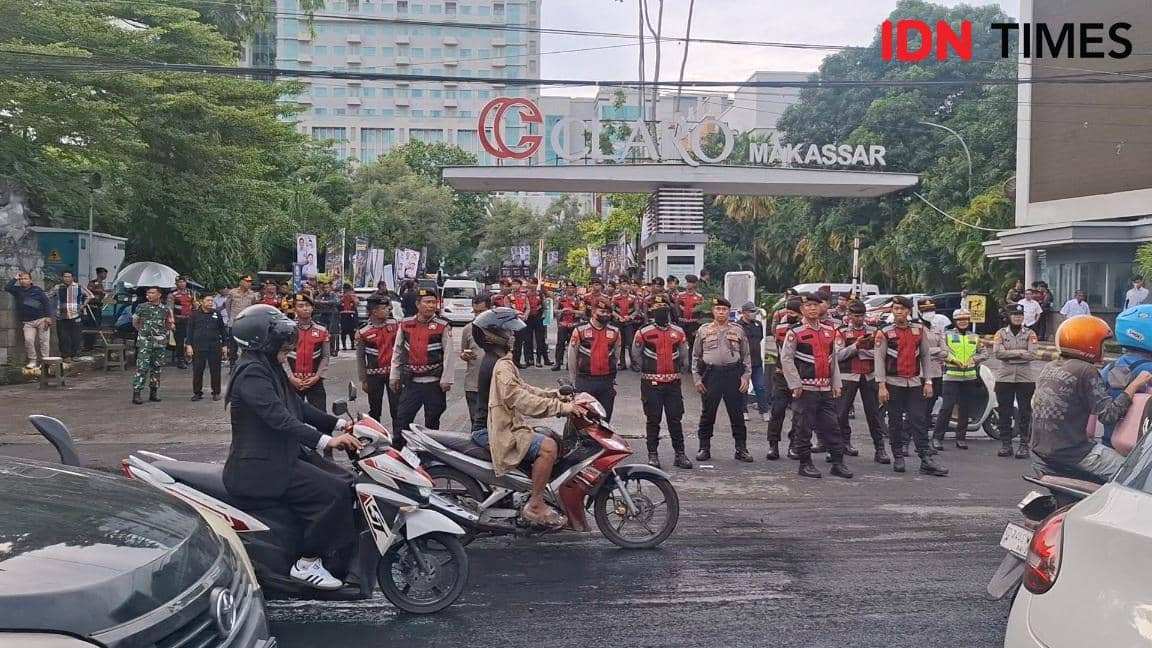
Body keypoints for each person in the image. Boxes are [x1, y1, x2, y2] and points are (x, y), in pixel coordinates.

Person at [223, 304, 363, 590]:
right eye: (282, 347)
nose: (287, 352)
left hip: (283, 456)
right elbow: (279, 418)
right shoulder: (251, 374)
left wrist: (339, 425)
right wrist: (327, 441)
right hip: (261, 466)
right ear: (263, 341)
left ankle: (337, 556)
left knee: (348, 481)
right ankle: (307, 562)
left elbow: (298, 407)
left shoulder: (268, 366)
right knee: (332, 494)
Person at [470, 308, 587, 528]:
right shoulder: (500, 365)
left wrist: (555, 395)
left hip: (499, 425)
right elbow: (520, 399)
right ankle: (535, 504)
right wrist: (561, 408)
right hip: (491, 431)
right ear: (495, 334)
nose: (513, 337)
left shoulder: (500, 361)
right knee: (548, 447)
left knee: (545, 435)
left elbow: (524, 389)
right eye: (509, 333)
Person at [1031, 315, 1152, 482]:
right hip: (1074, 451)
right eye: (1101, 343)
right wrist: (1134, 386)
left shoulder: (1050, 367)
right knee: (1135, 475)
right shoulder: (1085, 370)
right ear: (1090, 343)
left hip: (1043, 448)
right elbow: (1109, 416)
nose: (1103, 348)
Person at [780, 293, 852, 479]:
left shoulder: (829, 330)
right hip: (805, 388)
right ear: (802, 310)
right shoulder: (795, 332)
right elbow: (786, 359)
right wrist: (795, 384)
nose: (812, 308)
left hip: (826, 388)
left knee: (832, 426)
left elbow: (833, 360)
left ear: (821, 308)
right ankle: (805, 464)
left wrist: (836, 383)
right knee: (804, 428)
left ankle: (838, 463)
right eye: (808, 305)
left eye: (815, 305)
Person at [875, 296, 948, 476]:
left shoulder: (918, 330)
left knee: (919, 420)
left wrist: (928, 381)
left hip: (915, 382)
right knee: (895, 421)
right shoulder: (884, 332)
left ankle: (925, 459)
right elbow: (879, 359)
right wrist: (881, 385)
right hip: (893, 382)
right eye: (896, 308)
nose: (899, 311)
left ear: (909, 311)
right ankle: (898, 456)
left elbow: (925, 357)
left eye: (902, 308)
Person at [632, 295, 693, 470]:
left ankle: (680, 454)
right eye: (657, 306)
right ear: (652, 310)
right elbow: (636, 355)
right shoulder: (643, 332)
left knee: (675, 419)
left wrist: (680, 369)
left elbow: (684, 356)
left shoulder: (678, 332)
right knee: (653, 419)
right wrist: (647, 369)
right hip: (651, 383)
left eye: (664, 306)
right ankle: (653, 455)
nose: (661, 309)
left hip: (673, 383)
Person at [391, 288, 455, 447]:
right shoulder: (405, 324)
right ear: (418, 304)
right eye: (427, 302)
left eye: (433, 302)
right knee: (402, 419)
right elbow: (398, 351)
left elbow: (449, 354)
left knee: (432, 421)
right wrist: (394, 375)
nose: (431, 306)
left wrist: (446, 380)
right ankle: (398, 452)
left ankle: (431, 455)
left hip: (434, 383)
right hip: (411, 383)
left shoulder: (443, 325)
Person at [692, 298, 752, 462]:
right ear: (713, 311)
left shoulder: (738, 330)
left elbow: (746, 356)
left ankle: (741, 448)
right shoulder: (704, 330)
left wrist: (746, 377)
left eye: (724, 309)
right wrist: (697, 378)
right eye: (718, 309)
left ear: (729, 311)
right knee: (707, 413)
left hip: (733, 375)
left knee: (737, 413)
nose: (721, 312)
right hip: (711, 375)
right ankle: (704, 448)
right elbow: (696, 356)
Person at [837, 300, 889, 464]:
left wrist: (863, 351)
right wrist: (856, 347)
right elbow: (838, 356)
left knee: (873, 414)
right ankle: (842, 445)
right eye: (856, 316)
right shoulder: (842, 332)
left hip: (869, 375)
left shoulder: (875, 332)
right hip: (848, 375)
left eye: (861, 315)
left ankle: (879, 448)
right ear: (849, 315)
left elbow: (882, 355)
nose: (859, 319)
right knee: (841, 413)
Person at [931, 309, 987, 450]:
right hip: (951, 376)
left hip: (969, 377)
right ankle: (937, 438)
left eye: (965, 319)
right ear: (955, 321)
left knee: (965, 409)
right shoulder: (947, 336)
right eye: (960, 319)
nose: (963, 322)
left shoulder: (974, 337)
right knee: (947, 408)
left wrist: (974, 359)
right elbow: (942, 352)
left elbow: (985, 353)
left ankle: (961, 438)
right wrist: (953, 360)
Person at [992, 304, 1038, 458]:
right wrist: (1020, 353)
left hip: (1025, 378)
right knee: (1004, 411)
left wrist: (1010, 354)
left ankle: (1024, 445)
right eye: (1015, 315)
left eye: (1020, 315)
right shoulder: (1001, 333)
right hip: (1005, 377)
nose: (1018, 317)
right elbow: (997, 353)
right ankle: (1006, 444)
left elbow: (1032, 354)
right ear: (1009, 316)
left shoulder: (1030, 333)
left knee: (1025, 412)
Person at [568, 296, 621, 421]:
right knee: (583, 420)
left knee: (605, 420)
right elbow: (572, 356)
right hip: (585, 380)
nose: (605, 315)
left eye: (608, 312)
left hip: (606, 381)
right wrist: (574, 380)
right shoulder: (580, 330)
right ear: (593, 312)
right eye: (602, 312)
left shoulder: (615, 332)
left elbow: (616, 355)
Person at [766, 296, 802, 461]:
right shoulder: (781, 328)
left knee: (799, 413)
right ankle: (773, 444)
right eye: (788, 311)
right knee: (777, 410)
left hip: (802, 376)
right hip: (782, 374)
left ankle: (794, 444)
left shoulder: (807, 329)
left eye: (793, 312)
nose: (790, 314)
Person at [356, 298, 401, 424]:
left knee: (397, 408)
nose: (388, 310)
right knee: (375, 409)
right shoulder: (363, 331)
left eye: (388, 308)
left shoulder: (395, 325)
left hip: (394, 374)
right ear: (374, 312)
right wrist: (363, 380)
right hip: (373, 375)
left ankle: (399, 440)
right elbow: (360, 357)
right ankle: (376, 437)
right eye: (383, 308)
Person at [285, 293, 330, 411]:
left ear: (312, 308)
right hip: (292, 381)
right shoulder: (288, 329)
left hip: (314, 381)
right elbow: (282, 356)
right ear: (295, 309)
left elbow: (325, 356)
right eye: (300, 306)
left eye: (307, 305)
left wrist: (317, 377)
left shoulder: (322, 330)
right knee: (292, 416)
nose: (305, 308)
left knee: (321, 417)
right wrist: (291, 377)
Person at [132, 287, 174, 405]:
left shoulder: (165, 309)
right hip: (145, 342)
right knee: (142, 367)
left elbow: (168, 323)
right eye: (148, 293)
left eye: (152, 293)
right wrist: (143, 332)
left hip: (159, 342)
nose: (149, 295)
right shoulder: (142, 307)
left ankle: (154, 392)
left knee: (157, 367)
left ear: (159, 295)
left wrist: (162, 333)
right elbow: (135, 322)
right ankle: (137, 392)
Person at [7, 271, 52, 369]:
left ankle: (45, 362)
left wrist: (48, 317)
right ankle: (32, 361)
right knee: (29, 340)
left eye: (25, 278)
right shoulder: (17, 290)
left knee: (43, 341)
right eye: (21, 279)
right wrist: (15, 278)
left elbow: (46, 303)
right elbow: (7, 288)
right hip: (27, 321)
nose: (23, 281)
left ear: (31, 280)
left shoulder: (37, 290)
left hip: (41, 319)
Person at [186, 294, 228, 401]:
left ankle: (216, 392)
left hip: (214, 346)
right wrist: (189, 345)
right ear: (202, 302)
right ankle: (197, 393)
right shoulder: (194, 315)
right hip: (198, 346)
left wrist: (224, 345)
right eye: (208, 300)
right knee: (198, 370)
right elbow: (189, 331)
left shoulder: (216, 314)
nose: (210, 302)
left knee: (215, 370)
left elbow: (222, 330)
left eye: (211, 301)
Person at [737, 302, 771, 422]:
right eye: (751, 312)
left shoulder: (758, 324)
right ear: (744, 312)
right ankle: (743, 410)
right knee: (743, 387)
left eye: (755, 311)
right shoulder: (738, 326)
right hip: (743, 363)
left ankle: (764, 411)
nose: (754, 314)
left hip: (756, 362)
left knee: (760, 387)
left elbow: (760, 338)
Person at [461, 294, 491, 427]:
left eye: (482, 311)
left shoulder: (499, 329)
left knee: (492, 421)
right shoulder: (468, 329)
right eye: (476, 311)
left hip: (493, 384)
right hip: (473, 383)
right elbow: (463, 351)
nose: (478, 315)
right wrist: (465, 356)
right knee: (476, 421)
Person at [53, 270, 92, 362]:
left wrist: (83, 305)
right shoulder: (57, 287)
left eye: (69, 277)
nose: (67, 278)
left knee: (76, 337)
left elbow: (90, 295)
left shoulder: (78, 287)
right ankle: (65, 356)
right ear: (62, 278)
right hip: (61, 316)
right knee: (63, 337)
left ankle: (74, 355)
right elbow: (47, 296)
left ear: (72, 278)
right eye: (65, 277)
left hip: (75, 315)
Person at [225, 275, 260, 371]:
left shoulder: (252, 294)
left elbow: (253, 307)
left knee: (246, 346)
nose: (249, 283)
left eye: (250, 282)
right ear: (241, 282)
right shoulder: (232, 292)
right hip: (234, 322)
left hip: (246, 324)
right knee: (233, 346)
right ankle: (232, 366)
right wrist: (230, 317)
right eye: (247, 281)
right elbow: (228, 306)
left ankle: (244, 366)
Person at [552, 281, 583, 372]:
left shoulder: (579, 300)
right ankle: (558, 362)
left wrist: (573, 311)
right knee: (560, 344)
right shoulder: (560, 299)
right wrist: (562, 311)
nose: (570, 290)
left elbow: (582, 312)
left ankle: (570, 363)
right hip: (563, 324)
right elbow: (554, 310)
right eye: (568, 288)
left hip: (574, 325)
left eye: (572, 288)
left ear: (575, 289)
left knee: (573, 345)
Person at [613, 279, 642, 370]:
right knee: (620, 343)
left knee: (630, 343)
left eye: (627, 284)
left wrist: (630, 317)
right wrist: (618, 317)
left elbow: (637, 310)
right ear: (620, 285)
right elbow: (612, 310)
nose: (626, 286)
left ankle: (633, 363)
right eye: (624, 284)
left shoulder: (633, 298)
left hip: (629, 323)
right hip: (618, 323)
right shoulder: (615, 297)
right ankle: (622, 363)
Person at [169, 276, 196, 369]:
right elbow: (170, 309)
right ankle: (180, 360)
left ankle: (190, 356)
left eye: (183, 282)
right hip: (178, 320)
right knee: (179, 341)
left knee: (190, 339)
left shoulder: (191, 293)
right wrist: (171, 321)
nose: (182, 284)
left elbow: (194, 306)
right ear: (176, 284)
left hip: (189, 319)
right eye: (179, 282)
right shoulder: (173, 294)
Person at [676, 274, 706, 351]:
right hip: (682, 322)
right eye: (687, 282)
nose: (688, 284)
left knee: (693, 343)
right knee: (681, 343)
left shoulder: (699, 297)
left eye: (690, 282)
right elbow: (676, 309)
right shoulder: (680, 295)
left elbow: (702, 311)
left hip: (694, 323)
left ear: (695, 284)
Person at [525, 278, 550, 367]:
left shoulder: (540, 294)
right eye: (530, 283)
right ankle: (529, 359)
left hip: (539, 318)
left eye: (534, 284)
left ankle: (539, 360)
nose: (532, 285)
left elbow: (545, 306)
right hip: (528, 319)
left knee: (540, 340)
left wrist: (544, 315)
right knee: (528, 340)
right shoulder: (525, 294)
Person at [83, 267, 109, 352]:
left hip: (99, 307)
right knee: (91, 326)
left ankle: (92, 345)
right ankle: (87, 346)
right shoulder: (93, 283)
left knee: (97, 326)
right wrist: (101, 291)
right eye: (104, 273)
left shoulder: (101, 284)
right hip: (92, 307)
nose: (105, 275)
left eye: (106, 274)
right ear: (99, 274)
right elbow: (89, 291)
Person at [314, 281, 341, 357]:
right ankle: (324, 350)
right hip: (323, 314)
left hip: (332, 315)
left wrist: (325, 302)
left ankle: (334, 350)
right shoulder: (321, 295)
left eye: (327, 287)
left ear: (330, 288)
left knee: (333, 333)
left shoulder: (333, 295)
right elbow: (316, 301)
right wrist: (322, 303)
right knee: (323, 332)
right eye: (324, 288)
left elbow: (336, 302)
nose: (326, 289)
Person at [339, 284, 358, 351]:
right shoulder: (341, 295)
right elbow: (338, 303)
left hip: (351, 314)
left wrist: (351, 296)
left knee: (352, 331)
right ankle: (344, 345)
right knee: (343, 331)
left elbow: (357, 302)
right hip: (343, 314)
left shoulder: (353, 295)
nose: (346, 291)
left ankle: (352, 345)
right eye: (345, 289)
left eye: (348, 290)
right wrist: (343, 297)